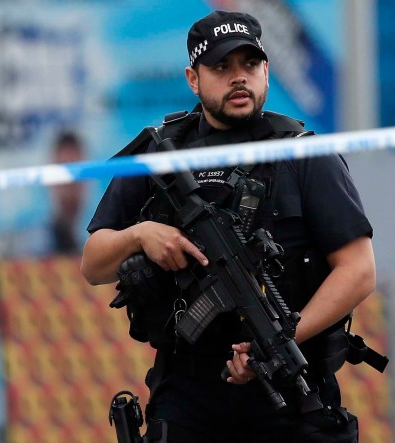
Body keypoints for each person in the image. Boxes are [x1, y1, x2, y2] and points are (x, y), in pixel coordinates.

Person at [81, 10, 376, 443]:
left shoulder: (304, 156)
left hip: (289, 385)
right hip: (188, 392)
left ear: (266, 71)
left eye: (249, 65)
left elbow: (358, 270)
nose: (239, 77)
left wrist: (276, 344)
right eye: (222, 67)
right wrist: (139, 234)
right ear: (193, 79)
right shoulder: (160, 155)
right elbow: (93, 264)